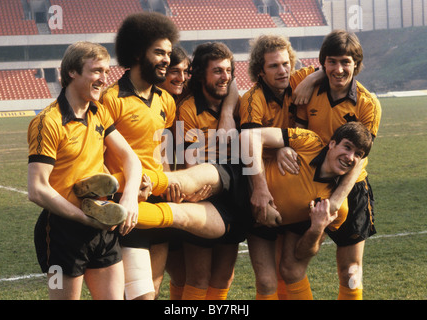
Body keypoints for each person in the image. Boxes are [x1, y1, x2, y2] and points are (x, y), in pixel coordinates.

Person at [99, 12, 245, 301]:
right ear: (138, 52)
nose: (167, 59)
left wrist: (170, 185)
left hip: (160, 199)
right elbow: (99, 156)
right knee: (139, 294)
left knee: (152, 290)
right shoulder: (110, 98)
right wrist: (118, 195)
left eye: (168, 53)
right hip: (129, 204)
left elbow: (162, 151)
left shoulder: (166, 99)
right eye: (159, 52)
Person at [27, 41, 143, 300]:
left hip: (102, 226)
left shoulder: (99, 112)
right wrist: (84, 217)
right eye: (97, 71)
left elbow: (131, 159)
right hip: (60, 233)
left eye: (107, 71)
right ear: (72, 72)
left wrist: (129, 199)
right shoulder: (48, 122)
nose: (105, 78)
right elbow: (36, 190)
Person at [286, 29, 382, 299]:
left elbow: (359, 158)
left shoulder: (367, 104)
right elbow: (299, 134)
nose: (339, 69)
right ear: (323, 62)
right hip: (310, 183)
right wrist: (311, 79)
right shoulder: (307, 87)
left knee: (351, 272)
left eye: (346, 62)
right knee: (292, 266)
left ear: (356, 65)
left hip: (350, 188)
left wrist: (338, 198)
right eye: (332, 61)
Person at [240, 121, 373, 299]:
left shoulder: (335, 207)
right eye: (347, 147)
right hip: (245, 182)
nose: (350, 157)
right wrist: (261, 188)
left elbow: (302, 253)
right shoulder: (309, 140)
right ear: (332, 144)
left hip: (264, 219)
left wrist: (318, 227)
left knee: (272, 279)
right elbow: (249, 136)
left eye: (357, 154)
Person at [239, 34, 324, 299]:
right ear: (260, 72)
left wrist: (312, 78)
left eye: (286, 63)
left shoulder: (298, 80)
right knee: (266, 281)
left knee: (290, 272)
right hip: (263, 187)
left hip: (296, 188)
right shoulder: (252, 99)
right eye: (274, 66)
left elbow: (329, 68)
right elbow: (248, 142)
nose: (282, 70)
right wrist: (261, 188)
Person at [176, 42, 253, 300]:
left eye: (228, 70)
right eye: (217, 71)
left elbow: (233, 88)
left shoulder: (238, 104)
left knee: (223, 277)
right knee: (198, 277)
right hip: (204, 194)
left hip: (236, 193)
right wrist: (198, 189)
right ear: (200, 74)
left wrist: (228, 113)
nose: (225, 76)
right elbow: (190, 163)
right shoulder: (187, 109)